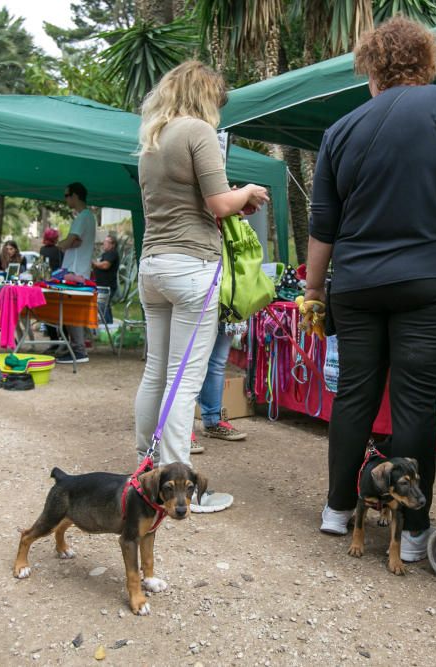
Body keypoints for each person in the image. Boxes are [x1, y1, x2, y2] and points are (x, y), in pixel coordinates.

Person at [304, 17, 436, 562]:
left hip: (355, 282)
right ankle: (415, 531)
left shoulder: (340, 130)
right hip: (428, 278)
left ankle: (335, 510)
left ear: (371, 70)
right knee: (414, 403)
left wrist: (314, 291)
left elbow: (323, 225)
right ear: (426, 63)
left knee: (354, 395)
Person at [134, 60, 269, 513]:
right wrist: (246, 192)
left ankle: (145, 468)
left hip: (152, 265)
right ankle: (178, 485)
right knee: (182, 380)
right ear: (204, 95)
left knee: (157, 371)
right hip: (191, 267)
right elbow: (216, 201)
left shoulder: (153, 138)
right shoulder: (197, 132)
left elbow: (193, 203)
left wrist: (230, 203)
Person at [56, 182, 96, 364]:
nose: (65, 199)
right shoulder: (88, 217)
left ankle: (79, 350)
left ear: (75, 196)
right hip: (79, 270)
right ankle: (75, 347)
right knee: (73, 310)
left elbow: (72, 240)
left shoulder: (83, 217)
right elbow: (75, 242)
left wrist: (61, 244)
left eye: (66, 195)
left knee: (72, 311)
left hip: (75, 271)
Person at [194, 329, 248, 449]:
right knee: (191, 362)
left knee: (218, 363)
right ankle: (180, 431)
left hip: (226, 313)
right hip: (195, 311)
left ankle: (213, 421)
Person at [92, 234, 120, 325]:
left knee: (103, 306)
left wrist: (94, 263)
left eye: (106, 242)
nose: (104, 243)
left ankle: (107, 326)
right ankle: (109, 326)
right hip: (102, 285)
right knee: (104, 306)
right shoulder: (106, 254)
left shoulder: (112, 253)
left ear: (113, 244)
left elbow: (105, 265)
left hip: (107, 286)